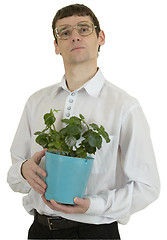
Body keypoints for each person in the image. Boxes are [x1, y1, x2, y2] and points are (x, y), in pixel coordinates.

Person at [7, 4, 160, 240]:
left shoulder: (124, 106)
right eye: (64, 32)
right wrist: (23, 169)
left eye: (84, 29)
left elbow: (147, 187)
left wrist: (93, 206)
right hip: (40, 231)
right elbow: (14, 175)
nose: (75, 36)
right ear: (56, 46)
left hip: (95, 233)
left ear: (101, 37)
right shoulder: (36, 102)